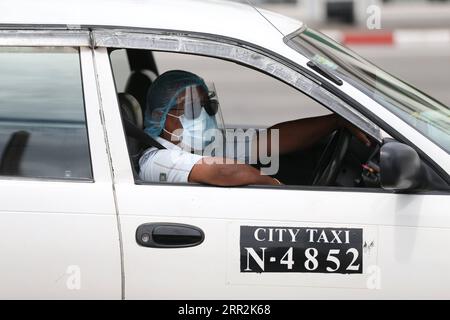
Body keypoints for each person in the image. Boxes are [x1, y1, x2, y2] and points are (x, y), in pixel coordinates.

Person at [139, 70, 371, 187]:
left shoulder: (203, 145)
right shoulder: (157, 159)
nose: (203, 114)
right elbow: (223, 171)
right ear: (162, 116)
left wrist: (335, 121)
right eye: (192, 108)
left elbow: (271, 142)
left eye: (207, 106)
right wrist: (276, 187)